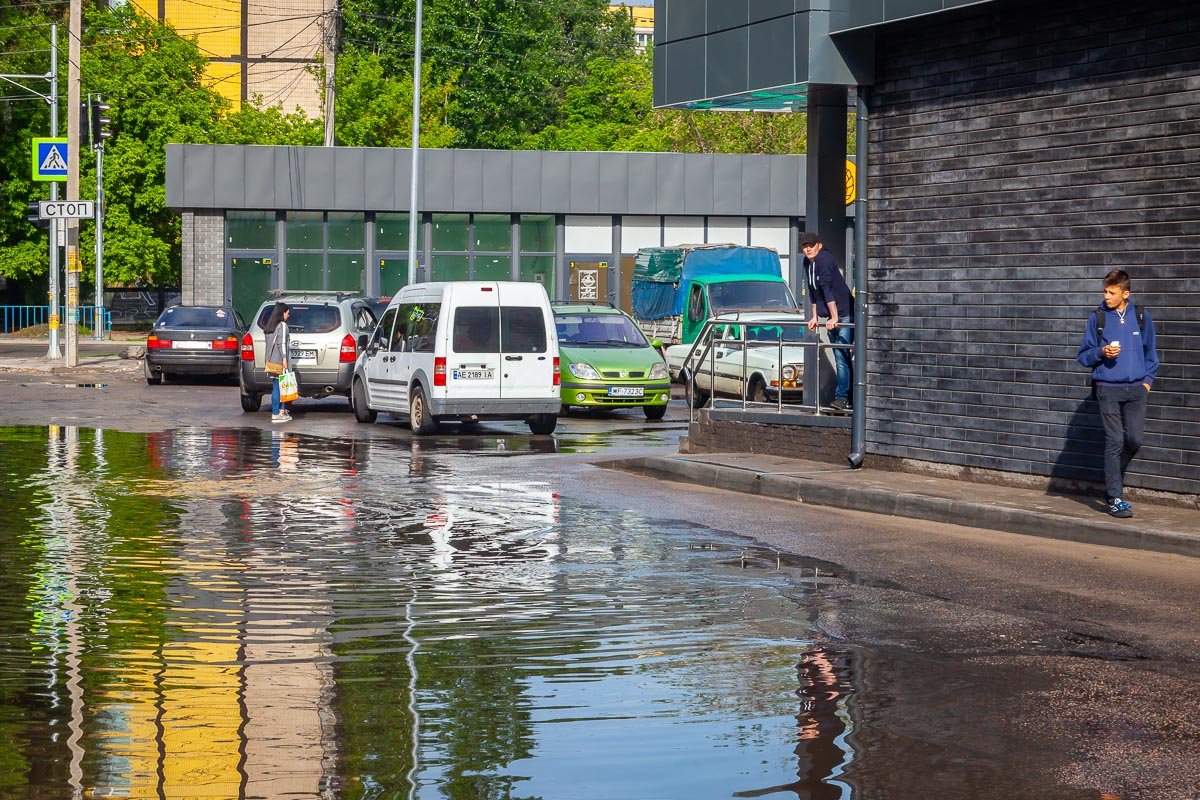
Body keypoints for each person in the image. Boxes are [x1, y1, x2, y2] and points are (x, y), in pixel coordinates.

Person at [1077, 270, 1159, 518]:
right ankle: (1114, 498)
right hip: (1107, 389)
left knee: (1134, 440)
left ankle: (1114, 477)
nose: (1106, 296)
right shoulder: (1098, 318)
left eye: (1112, 292)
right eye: (1105, 291)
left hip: (1136, 390)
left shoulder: (1142, 316)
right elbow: (1083, 356)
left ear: (1126, 293)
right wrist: (1102, 352)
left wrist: (1146, 382)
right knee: (1115, 441)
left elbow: (1151, 353)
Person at [801, 231, 854, 411]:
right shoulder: (807, 264)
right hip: (832, 314)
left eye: (811, 245)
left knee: (841, 354)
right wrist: (815, 316)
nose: (808, 249)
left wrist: (835, 317)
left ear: (819, 245)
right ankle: (849, 397)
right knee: (842, 355)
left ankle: (842, 398)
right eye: (805, 246)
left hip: (844, 312)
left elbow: (827, 289)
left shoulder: (823, 260)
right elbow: (813, 291)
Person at [263, 301, 292, 424]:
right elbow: (282, 344)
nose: (288, 315)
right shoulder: (282, 325)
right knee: (283, 386)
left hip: (271, 361)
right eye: (287, 313)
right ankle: (280, 412)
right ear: (282, 313)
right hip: (280, 360)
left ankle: (276, 412)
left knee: (275, 386)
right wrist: (285, 359)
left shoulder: (269, 327)